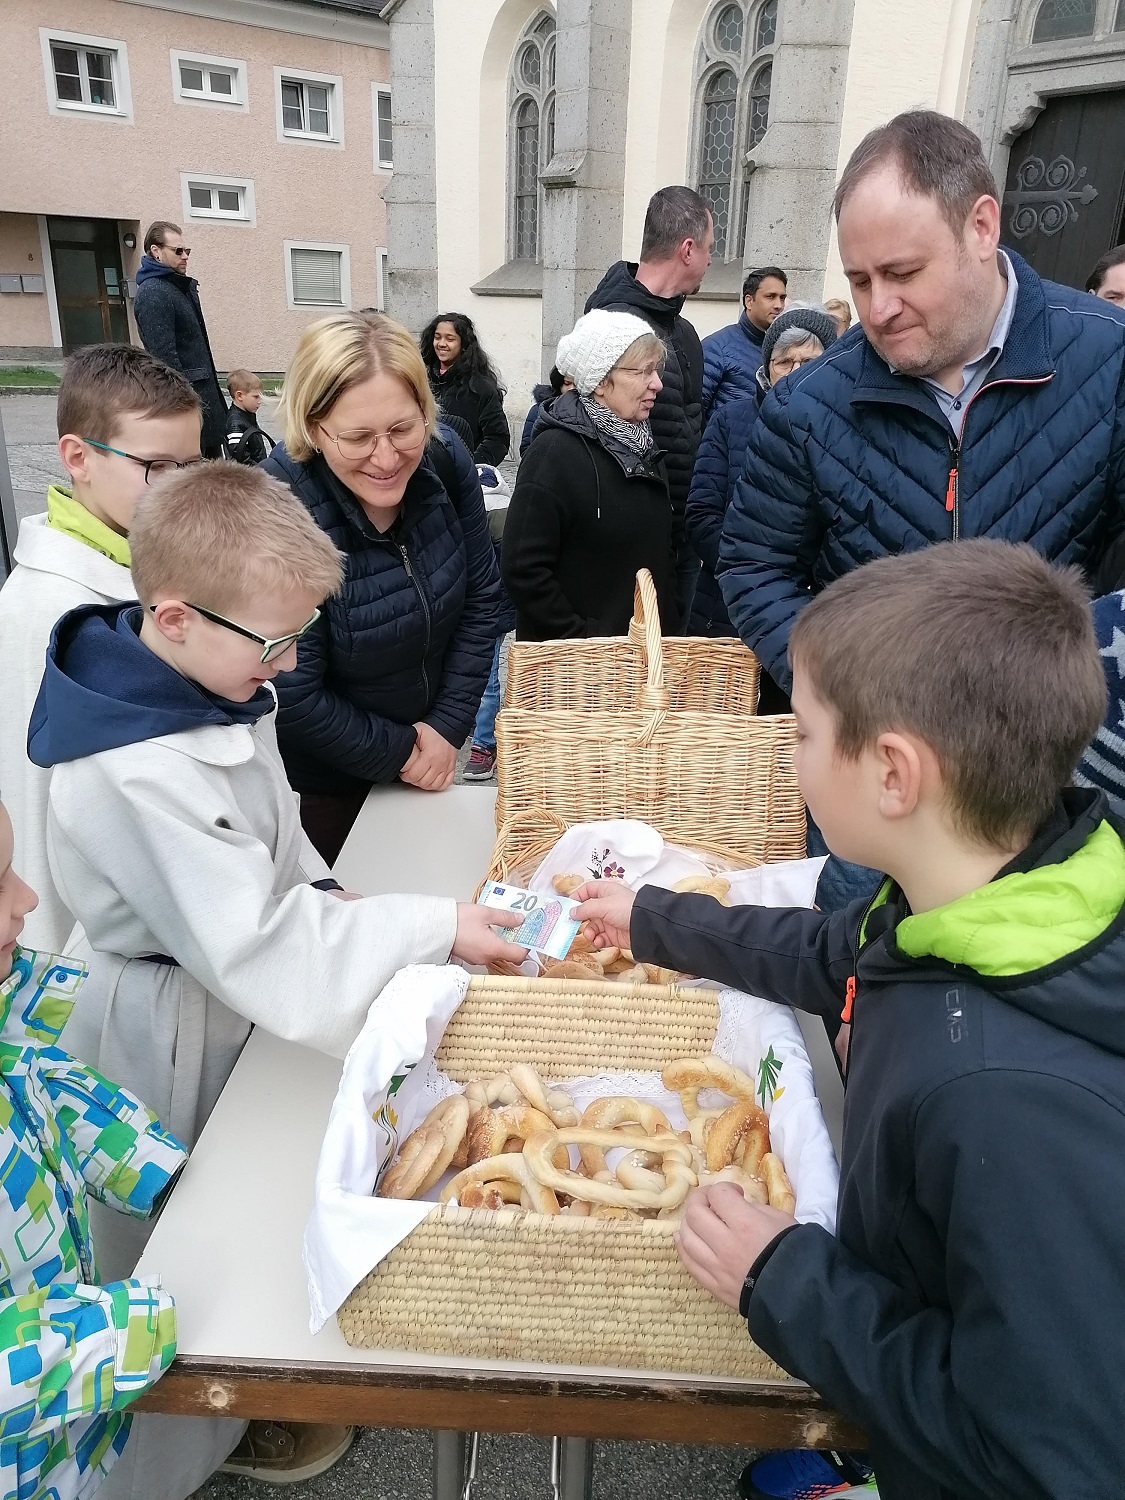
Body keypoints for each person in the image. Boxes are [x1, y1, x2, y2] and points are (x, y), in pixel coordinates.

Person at [574, 539, 1125, 1500]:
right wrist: (657, 920)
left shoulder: (1003, 1105)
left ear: (893, 775)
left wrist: (783, 1281)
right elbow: (842, 957)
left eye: (801, 732)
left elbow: (1042, 1460)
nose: (789, 755)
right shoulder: (984, 892)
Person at [27, 463, 523, 1496]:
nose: (290, 665)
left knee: (241, 1203)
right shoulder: (132, 766)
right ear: (173, 615)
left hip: (214, 980)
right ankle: (169, 1451)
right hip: (166, 1015)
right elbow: (252, 942)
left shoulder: (209, 671)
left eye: (301, 636)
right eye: (276, 644)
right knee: (185, 1247)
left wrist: (334, 897)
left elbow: (272, 839)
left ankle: (233, 1421)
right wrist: (432, 926)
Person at [718, 108, 1125, 911]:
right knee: (860, 972)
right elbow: (752, 564)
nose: (877, 308)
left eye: (902, 273)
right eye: (859, 280)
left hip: (1050, 783)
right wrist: (843, 692)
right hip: (875, 790)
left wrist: (1077, 696)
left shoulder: (1108, 361)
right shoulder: (807, 406)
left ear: (981, 227)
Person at [263, 312, 503, 864]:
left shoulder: (445, 460)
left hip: (432, 750)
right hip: (325, 781)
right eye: (357, 438)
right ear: (313, 428)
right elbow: (291, 690)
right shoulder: (281, 504)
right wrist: (406, 753)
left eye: (402, 429)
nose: (387, 458)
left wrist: (446, 727)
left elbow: (481, 597)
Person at [0, 798, 186, 1500]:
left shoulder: (7, 1033)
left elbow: (45, 1091)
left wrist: (154, 1168)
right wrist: (128, 1331)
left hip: (53, 1451)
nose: (28, 898)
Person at [0, 344, 201, 954]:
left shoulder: (148, 560)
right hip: (88, 939)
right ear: (77, 456)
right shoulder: (53, 611)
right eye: (156, 466)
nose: (179, 488)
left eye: (191, 465)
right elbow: (36, 800)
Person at [501, 310, 678, 641]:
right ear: (599, 381)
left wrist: (666, 627)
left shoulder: (645, 447)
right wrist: (585, 637)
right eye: (643, 371)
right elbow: (523, 569)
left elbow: (660, 553)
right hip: (576, 663)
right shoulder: (553, 453)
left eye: (656, 370)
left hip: (642, 655)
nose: (657, 383)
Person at [586, 185, 714, 630]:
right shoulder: (609, 327)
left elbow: (692, 426)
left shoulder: (686, 334)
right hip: (628, 543)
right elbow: (587, 433)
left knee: (670, 657)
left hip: (680, 536)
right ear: (688, 249)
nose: (711, 261)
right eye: (709, 248)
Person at [686, 307, 838, 665]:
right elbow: (701, 514)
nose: (795, 372)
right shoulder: (730, 420)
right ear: (766, 368)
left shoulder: (845, 430)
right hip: (727, 608)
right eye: (784, 362)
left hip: (816, 613)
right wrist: (747, 572)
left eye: (809, 361)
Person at [133, 222, 228, 458]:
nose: (185, 256)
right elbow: (164, 361)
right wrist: (184, 410)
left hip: (203, 407)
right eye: (178, 251)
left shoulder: (177, 287)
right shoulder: (154, 292)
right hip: (189, 410)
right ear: (156, 251)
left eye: (187, 251)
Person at [463, 463, 515, 783]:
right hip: (479, 610)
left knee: (487, 679)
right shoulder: (504, 513)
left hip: (487, 612)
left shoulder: (491, 518)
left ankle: (485, 743)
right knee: (480, 676)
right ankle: (479, 731)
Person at [419, 312, 510, 465]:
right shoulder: (422, 381)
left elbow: (497, 439)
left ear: (464, 344)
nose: (441, 344)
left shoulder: (480, 387)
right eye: (437, 337)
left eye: (450, 339)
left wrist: (471, 467)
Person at [700, 266, 788, 423]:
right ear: (749, 301)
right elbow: (696, 411)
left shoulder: (784, 350)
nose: (778, 305)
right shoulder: (717, 347)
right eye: (770, 297)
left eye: (782, 298)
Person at [224, 367, 275, 464]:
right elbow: (240, 456)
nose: (260, 401)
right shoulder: (235, 423)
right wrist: (259, 469)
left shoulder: (247, 415)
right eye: (256, 397)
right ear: (239, 396)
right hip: (246, 472)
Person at [520, 365, 574, 455]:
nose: (572, 388)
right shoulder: (540, 409)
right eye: (567, 383)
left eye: (576, 384)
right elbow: (527, 447)